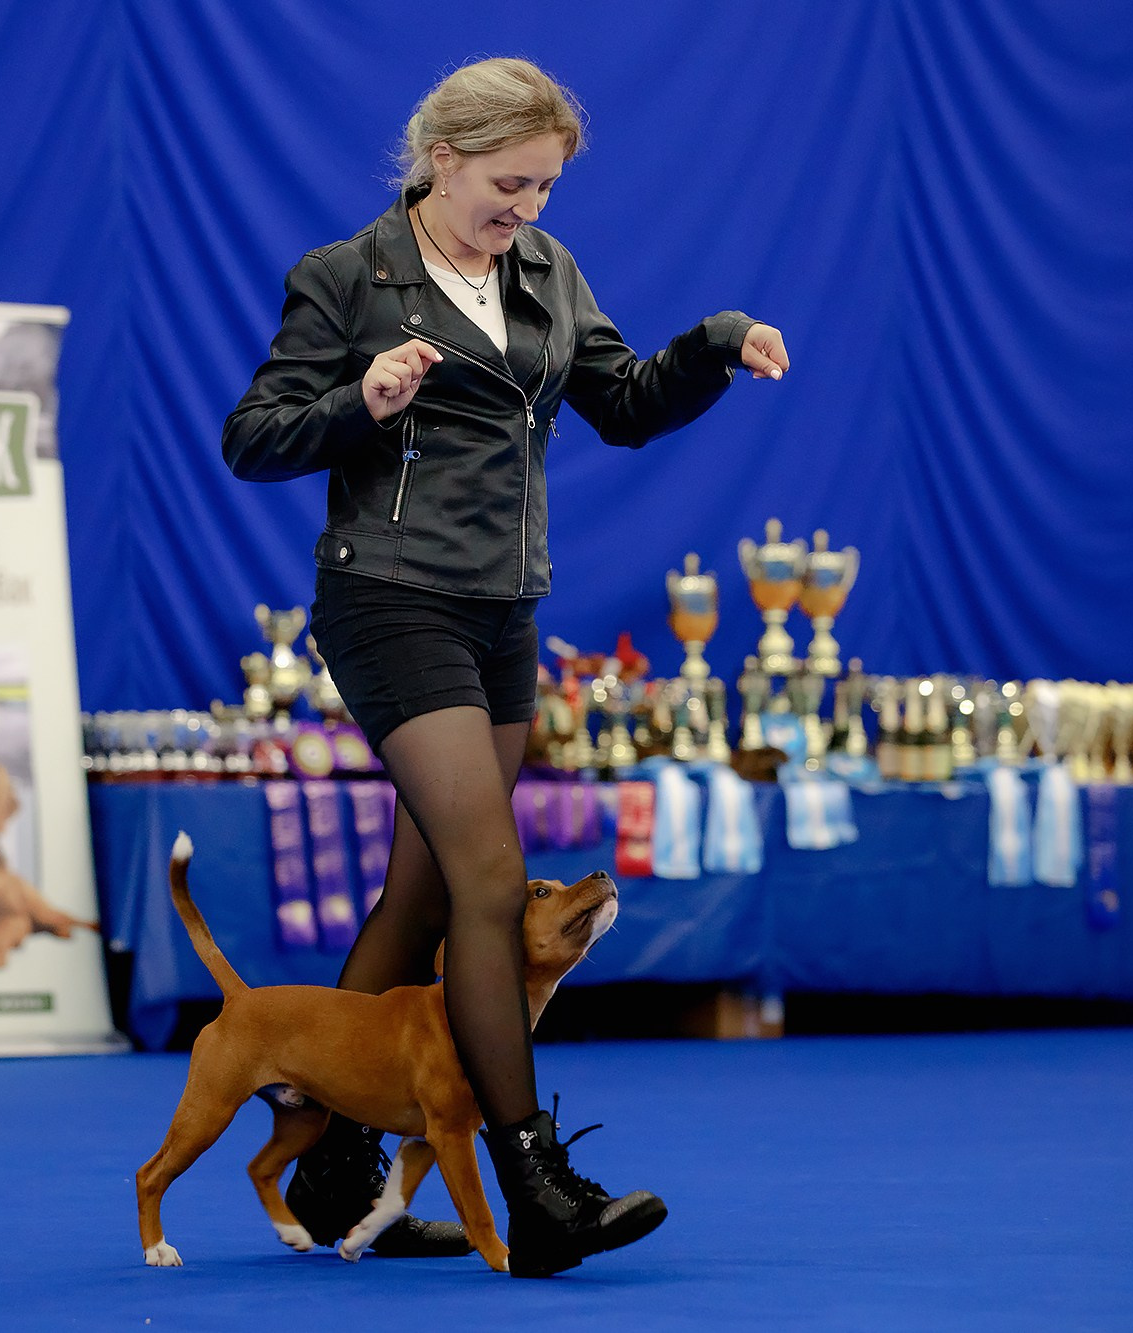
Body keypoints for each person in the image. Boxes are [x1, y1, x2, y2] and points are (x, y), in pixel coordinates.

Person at [222, 56, 788, 1278]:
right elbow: (253, 438)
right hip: (388, 600)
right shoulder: (347, 276)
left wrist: (715, 343)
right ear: (443, 158)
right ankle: (534, 1187)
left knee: (425, 894)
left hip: (502, 611)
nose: (526, 208)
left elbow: (624, 404)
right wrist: (362, 399)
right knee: (489, 882)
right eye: (508, 183)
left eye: (544, 189)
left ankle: (332, 1171)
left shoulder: (545, 272)